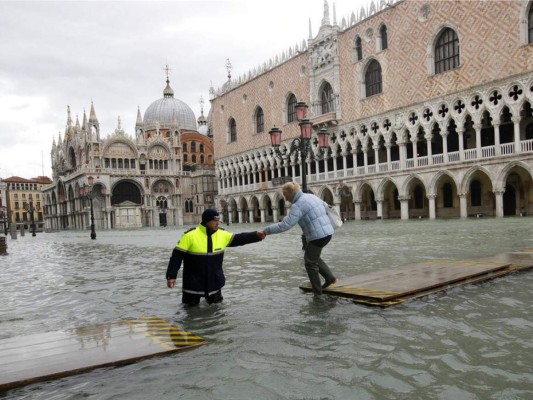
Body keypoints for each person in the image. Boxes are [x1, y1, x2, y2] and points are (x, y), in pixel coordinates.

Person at [166, 208, 265, 306]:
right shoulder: (189, 236)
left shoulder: (222, 234)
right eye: (215, 220)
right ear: (206, 221)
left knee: (218, 315)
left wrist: (256, 235)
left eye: (218, 220)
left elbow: (240, 238)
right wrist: (171, 276)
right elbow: (176, 257)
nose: (218, 223)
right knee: (190, 315)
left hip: (215, 283)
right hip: (193, 285)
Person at [260, 182, 337, 296]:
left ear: (291, 194)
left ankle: (318, 293)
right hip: (328, 233)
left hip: (317, 236)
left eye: (286, 197)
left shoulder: (298, 205)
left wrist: (266, 230)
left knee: (309, 263)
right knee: (312, 256)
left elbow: (285, 225)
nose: (286, 200)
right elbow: (327, 206)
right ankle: (329, 278)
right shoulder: (311, 196)